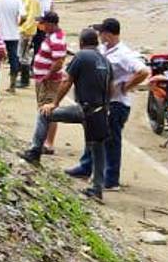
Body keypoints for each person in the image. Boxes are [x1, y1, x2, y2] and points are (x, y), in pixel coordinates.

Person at [25, 29, 113, 202]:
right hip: (100, 111)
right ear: (96, 43)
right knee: (98, 148)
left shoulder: (80, 57)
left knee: (45, 114)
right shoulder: (105, 60)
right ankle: (97, 190)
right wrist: (106, 108)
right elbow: (110, 87)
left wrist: (54, 103)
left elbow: (67, 81)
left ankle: (35, 152)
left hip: (84, 109)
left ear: (81, 42)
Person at [65, 18, 149, 190]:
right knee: (94, 134)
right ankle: (86, 167)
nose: (99, 36)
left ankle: (110, 179)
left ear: (108, 35)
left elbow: (143, 71)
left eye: (101, 33)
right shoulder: (103, 50)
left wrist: (126, 86)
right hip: (102, 102)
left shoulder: (123, 54)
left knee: (111, 141)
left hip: (117, 103)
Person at [31, 12, 68, 153]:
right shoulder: (51, 36)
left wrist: (47, 76)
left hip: (49, 81)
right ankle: (43, 140)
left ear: (51, 24)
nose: (41, 25)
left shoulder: (57, 39)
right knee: (43, 108)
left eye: (43, 23)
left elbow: (59, 61)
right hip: (43, 80)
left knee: (48, 110)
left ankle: (48, 143)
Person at [17, 0, 41, 89]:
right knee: (22, 54)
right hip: (24, 29)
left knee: (23, 55)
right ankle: (23, 78)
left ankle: (24, 80)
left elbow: (32, 17)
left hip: (27, 31)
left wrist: (25, 30)